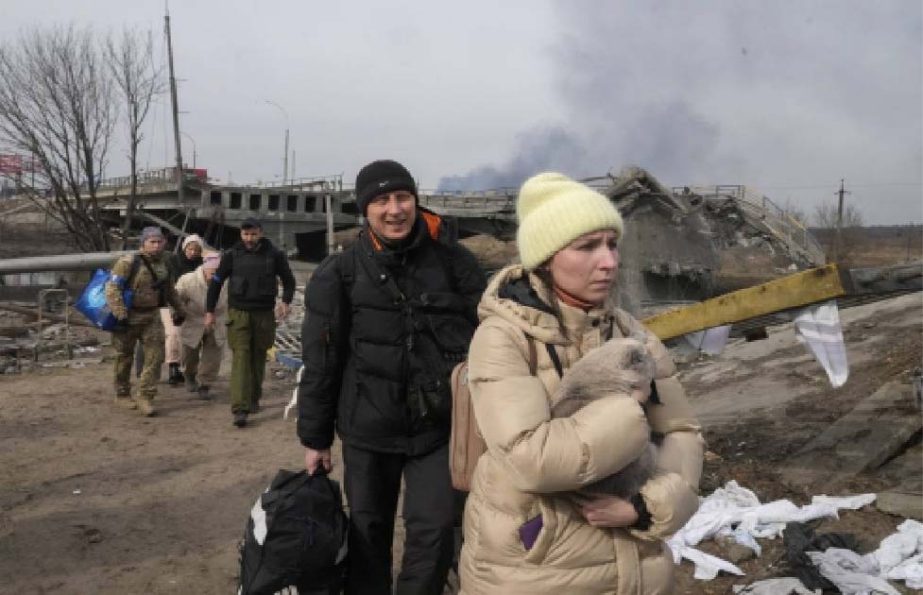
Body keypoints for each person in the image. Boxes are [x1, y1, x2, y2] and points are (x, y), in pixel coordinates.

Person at [458, 172, 705, 594]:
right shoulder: (504, 337)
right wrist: (629, 408)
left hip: (637, 563)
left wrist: (645, 508)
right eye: (587, 247)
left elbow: (682, 433)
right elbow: (530, 459)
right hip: (537, 566)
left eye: (611, 244)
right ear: (546, 258)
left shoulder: (634, 336)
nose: (608, 261)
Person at [297, 159, 486, 595]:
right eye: (381, 200)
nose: (394, 209)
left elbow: (491, 336)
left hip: (439, 429)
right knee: (367, 531)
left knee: (437, 531)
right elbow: (321, 361)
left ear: (416, 203)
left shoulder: (455, 263)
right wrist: (315, 438)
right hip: (367, 429)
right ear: (365, 210)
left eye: (402, 197)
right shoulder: (339, 273)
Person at [206, 218, 295, 428]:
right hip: (239, 314)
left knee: (257, 357)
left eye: (253, 234)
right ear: (241, 234)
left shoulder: (274, 255)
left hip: (264, 315)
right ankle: (240, 408)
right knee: (241, 358)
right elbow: (216, 284)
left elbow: (289, 281)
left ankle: (253, 399)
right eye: (245, 234)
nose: (249, 238)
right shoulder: (231, 256)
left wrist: (286, 301)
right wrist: (209, 311)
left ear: (260, 233)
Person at [105, 226, 187, 417]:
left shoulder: (165, 263)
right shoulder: (128, 262)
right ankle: (122, 393)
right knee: (124, 356)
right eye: (152, 242)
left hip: (152, 316)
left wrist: (180, 309)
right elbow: (112, 288)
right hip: (128, 316)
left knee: (155, 357)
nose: (156, 246)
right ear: (143, 244)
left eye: (159, 242)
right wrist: (120, 314)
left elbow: (170, 290)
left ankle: (146, 396)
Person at [175, 250, 227, 400]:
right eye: (212, 269)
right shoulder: (187, 280)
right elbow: (176, 298)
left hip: (217, 319)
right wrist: (177, 313)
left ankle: (205, 384)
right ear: (204, 267)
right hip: (193, 318)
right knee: (188, 353)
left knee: (213, 356)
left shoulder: (228, 281)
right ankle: (190, 375)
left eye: (218, 270)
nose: (215, 273)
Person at [163, 233, 205, 385]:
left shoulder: (202, 264)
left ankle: (187, 369)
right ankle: (173, 367)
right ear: (185, 248)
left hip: (194, 304)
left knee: (190, 338)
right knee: (173, 334)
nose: (192, 252)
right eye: (190, 249)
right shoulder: (172, 261)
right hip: (173, 300)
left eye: (196, 249)